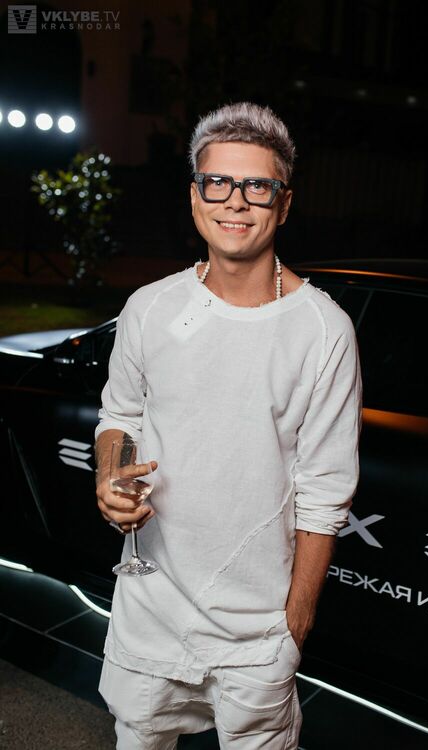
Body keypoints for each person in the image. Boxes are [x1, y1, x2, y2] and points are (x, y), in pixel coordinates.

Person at [95, 101, 362, 750]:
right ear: (195, 196)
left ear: (284, 203)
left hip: (257, 633)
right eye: (217, 182)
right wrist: (111, 475)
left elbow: (325, 490)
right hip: (149, 613)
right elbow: (120, 415)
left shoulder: (323, 330)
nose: (235, 201)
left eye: (257, 186)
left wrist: (294, 625)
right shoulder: (148, 308)